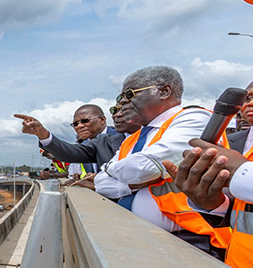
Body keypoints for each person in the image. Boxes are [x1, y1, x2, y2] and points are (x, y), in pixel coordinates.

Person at [94, 66, 228, 257]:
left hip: (188, 241)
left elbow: (142, 168)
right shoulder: (133, 138)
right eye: (120, 97)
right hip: (141, 239)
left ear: (164, 91)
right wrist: (129, 184)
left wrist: (110, 169)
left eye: (129, 94)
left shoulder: (195, 118)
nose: (122, 101)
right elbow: (100, 183)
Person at [161, 81, 253, 268]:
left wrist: (241, 171)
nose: (250, 103)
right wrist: (214, 204)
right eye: (248, 98)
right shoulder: (244, 143)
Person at [15, 104, 125, 175]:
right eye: (75, 124)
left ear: (102, 120)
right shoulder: (88, 145)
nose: (79, 126)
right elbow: (69, 152)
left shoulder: (121, 137)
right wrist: (42, 133)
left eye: (85, 120)